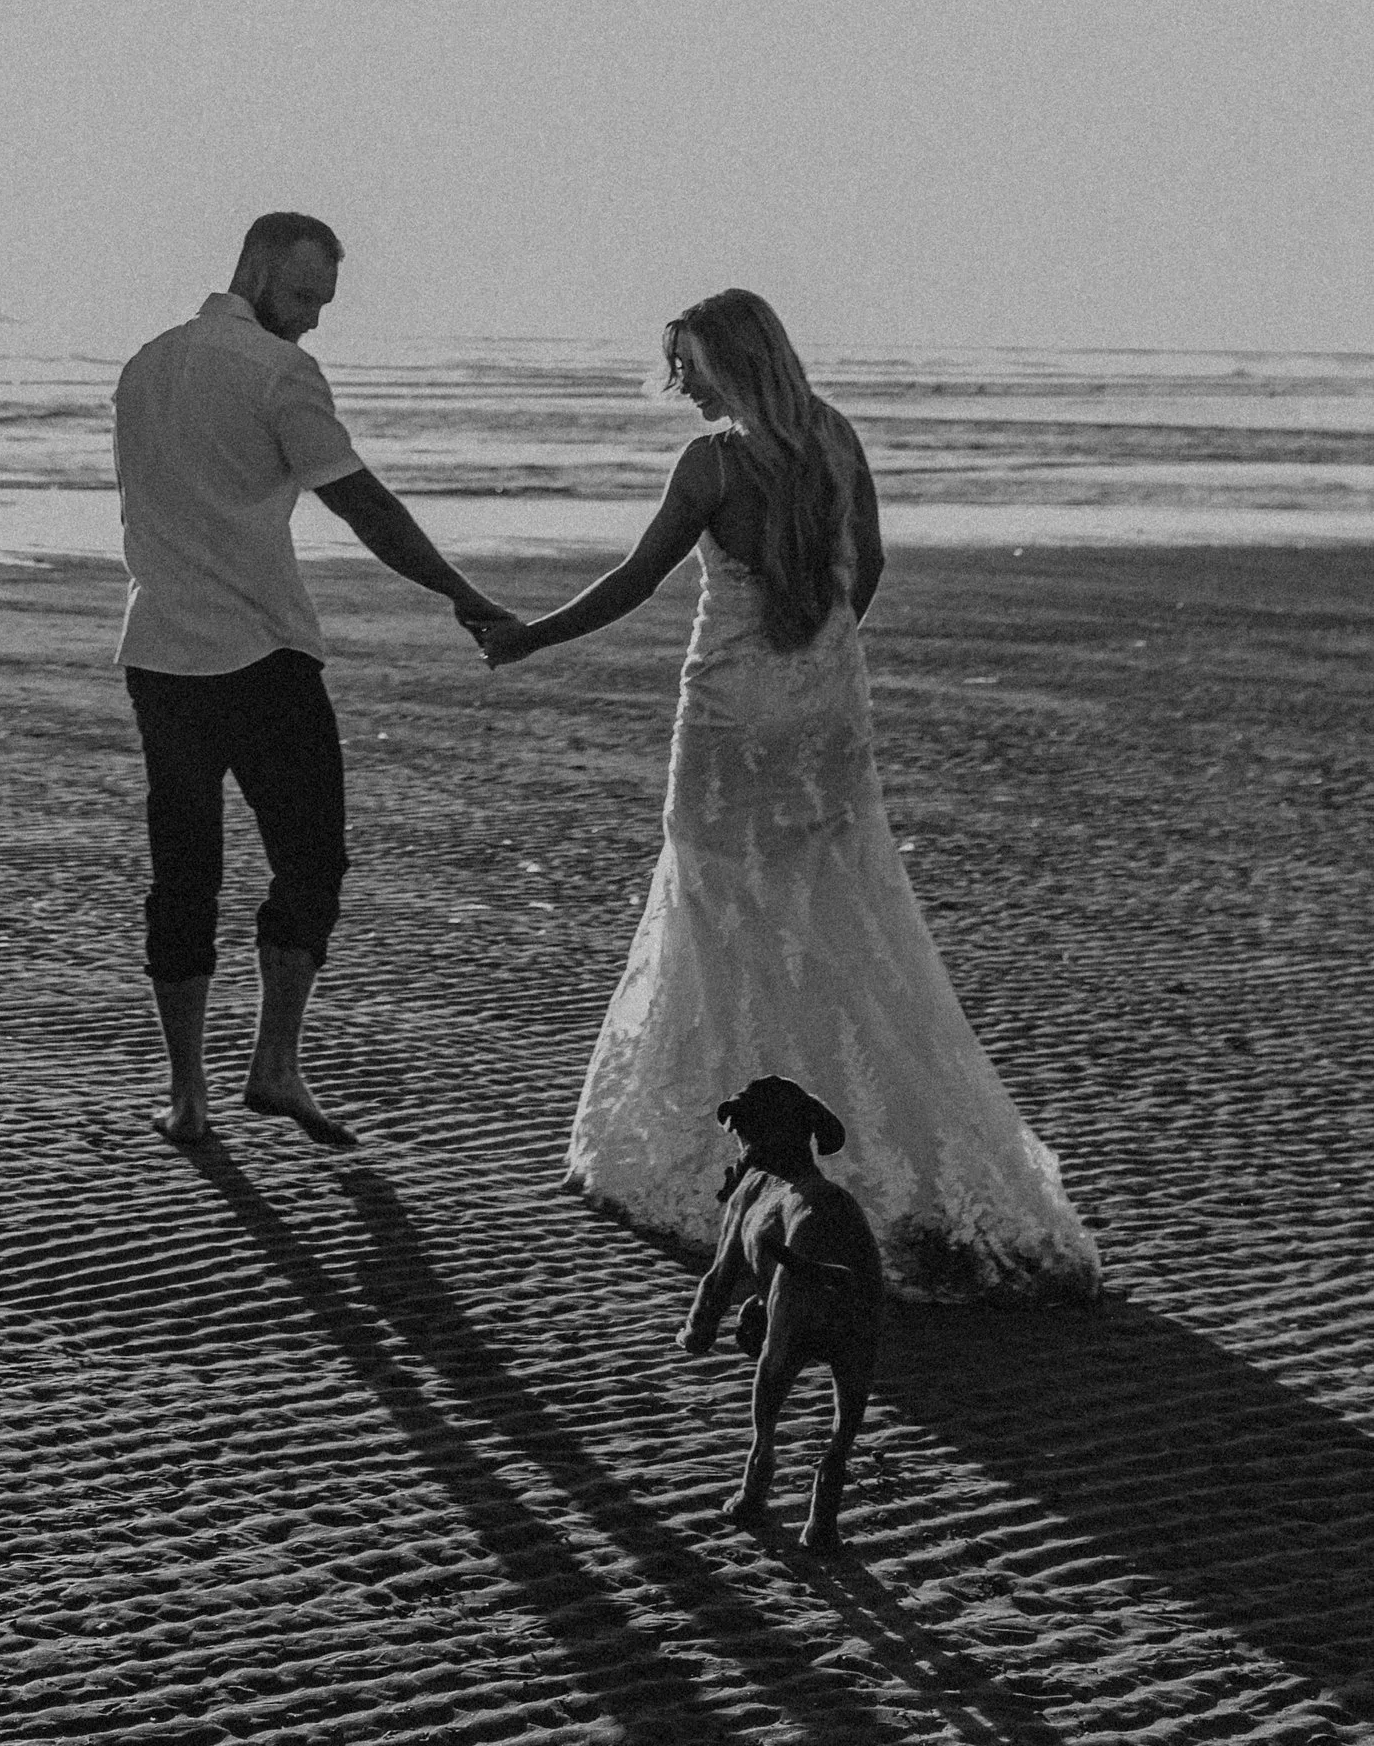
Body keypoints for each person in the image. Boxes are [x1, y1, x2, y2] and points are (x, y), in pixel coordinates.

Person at [477, 289, 1099, 1300]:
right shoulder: (836, 436)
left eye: (688, 367)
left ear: (729, 364)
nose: (678, 386)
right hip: (823, 717)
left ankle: (732, 1144)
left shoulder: (712, 464)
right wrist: (820, 657)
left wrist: (526, 633)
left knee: (720, 913)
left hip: (726, 719)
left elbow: (639, 578)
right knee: (845, 914)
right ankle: (856, 1133)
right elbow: (874, 566)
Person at [115, 212, 513, 1151]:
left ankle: (189, 1096)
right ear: (255, 267)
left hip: (159, 654)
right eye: (302, 296)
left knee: (185, 873)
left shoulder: (145, 364)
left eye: (323, 303)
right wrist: (461, 593)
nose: (313, 321)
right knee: (311, 861)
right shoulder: (277, 373)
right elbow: (362, 501)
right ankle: (274, 1067)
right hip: (261, 655)